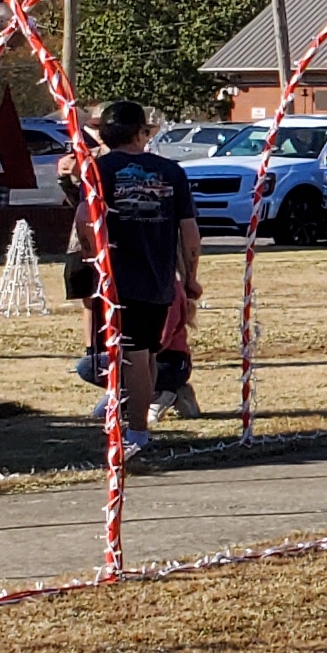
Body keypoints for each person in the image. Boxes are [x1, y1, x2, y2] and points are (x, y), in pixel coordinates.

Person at [75, 96, 201, 454]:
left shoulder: (98, 171)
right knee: (144, 353)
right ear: (140, 132)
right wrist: (190, 276)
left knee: (130, 355)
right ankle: (138, 420)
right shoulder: (171, 172)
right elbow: (190, 233)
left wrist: (90, 257)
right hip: (160, 279)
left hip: (119, 279)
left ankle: (137, 432)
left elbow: (85, 219)